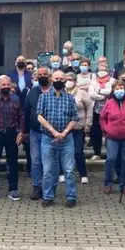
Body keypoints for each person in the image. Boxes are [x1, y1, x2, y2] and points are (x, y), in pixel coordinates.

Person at [37, 70, 79, 208]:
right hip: (48, 138)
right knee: (48, 170)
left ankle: (71, 197)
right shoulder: (44, 97)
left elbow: (74, 118)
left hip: (66, 139)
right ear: (51, 79)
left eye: (61, 78)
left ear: (65, 80)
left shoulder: (70, 98)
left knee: (69, 170)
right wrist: (54, 131)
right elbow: (40, 116)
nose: (59, 81)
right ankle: (48, 196)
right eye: (56, 78)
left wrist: (65, 132)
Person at [100, 79, 125, 194]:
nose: (119, 90)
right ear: (113, 90)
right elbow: (102, 118)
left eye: (121, 88)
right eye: (117, 88)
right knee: (111, 159)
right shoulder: (109, 102)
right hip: (112, 136)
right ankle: (108, 182)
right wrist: (106, 129)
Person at [24, 67, 51, 200]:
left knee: (48, 162)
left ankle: (48, 188)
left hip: (50, 132)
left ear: (49, 77)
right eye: (40, 74)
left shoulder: (55, 91)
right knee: (35, 161)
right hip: (34, 132)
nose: (42, 76)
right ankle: (37, 186)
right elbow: (26, 112)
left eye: (45, 74)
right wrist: (24, 131)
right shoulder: (32, 92)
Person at [67, 71, 93, 185]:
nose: (68, 82)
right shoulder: (62, 92)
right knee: (65, 152)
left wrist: (88, 124)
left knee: (78, 151)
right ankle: (63, 173)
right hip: (64, 128)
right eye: (66, 80)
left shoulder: (82, 93)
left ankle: (83, 174)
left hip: (79, 127)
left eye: (70, 80)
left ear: (75, 81)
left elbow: (89, 109)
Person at [89, 63, 114, 160]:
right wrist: (103, 96)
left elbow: (111, 92)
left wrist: (98, 91)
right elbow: (91, 94)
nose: (102, 72)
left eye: (104, 69)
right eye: (100, 70)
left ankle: (110, 153)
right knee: (96, 132)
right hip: (96, 111)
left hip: (109, 110)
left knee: (109, 132)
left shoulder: (113, 81)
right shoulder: (93, 81)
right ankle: (97, 153)